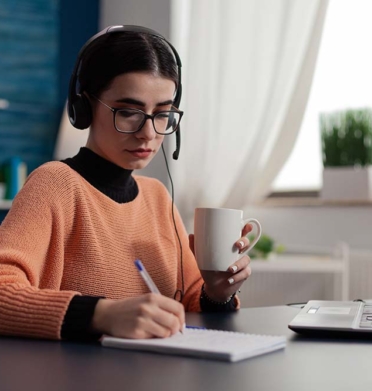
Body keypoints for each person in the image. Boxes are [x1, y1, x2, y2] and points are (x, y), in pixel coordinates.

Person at [0, 25, 252, 341]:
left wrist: (217, 293)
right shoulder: (55, 185)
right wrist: (101, 314)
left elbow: (191, 305)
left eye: (163, 114)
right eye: (130, 112)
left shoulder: (157, 197)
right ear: (85, 106)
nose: (149, 133)